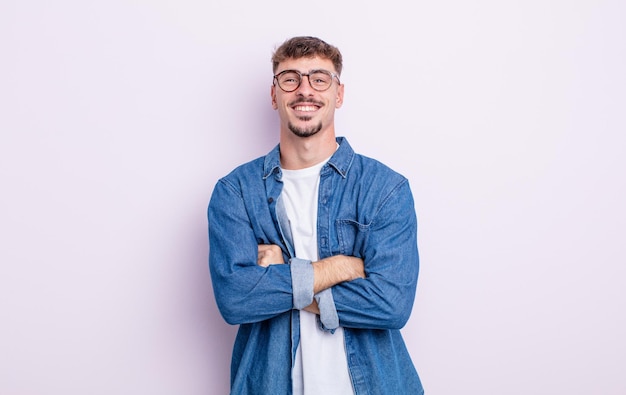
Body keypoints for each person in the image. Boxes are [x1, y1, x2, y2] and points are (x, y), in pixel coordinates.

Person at [208, 36, 424, 395]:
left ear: (338, 94)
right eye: (290, 78)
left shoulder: (385, 189)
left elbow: (391, 305)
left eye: (319, 78)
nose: (304, 90)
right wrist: (338, 267)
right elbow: (235, 299)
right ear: (274, 94)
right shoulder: (236, 192)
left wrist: (282, 274)